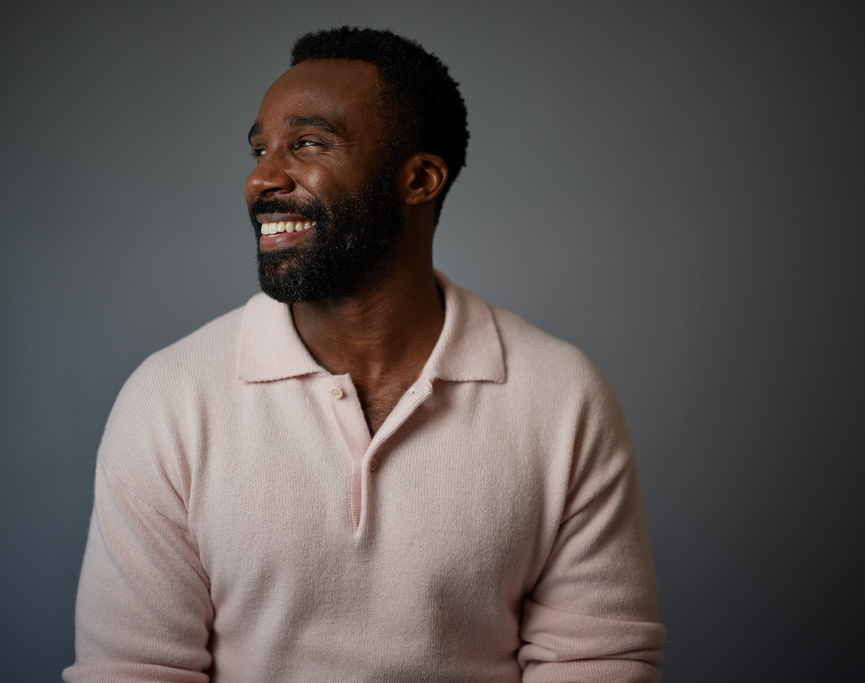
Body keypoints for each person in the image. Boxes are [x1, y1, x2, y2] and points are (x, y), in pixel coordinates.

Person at [63, 26, 665, 683]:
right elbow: (131, 669)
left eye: (307, 143)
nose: (261, 177)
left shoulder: (562, 395)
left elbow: (595, 662)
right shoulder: (169, 399)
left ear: (419, 179)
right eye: (260, 148)